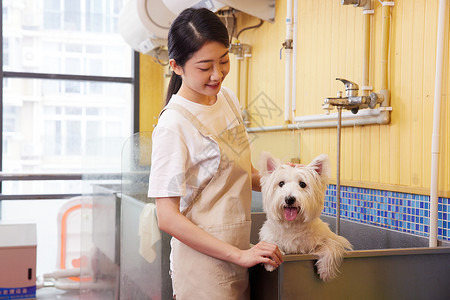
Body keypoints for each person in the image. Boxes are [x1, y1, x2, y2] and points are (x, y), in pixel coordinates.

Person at [147, 8, 283, 300]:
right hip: (202, 268)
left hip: (237, 255)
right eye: (205, 66)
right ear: (177, 66)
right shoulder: (173, 125)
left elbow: (243, 173)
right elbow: (167, 217)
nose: (217, 74)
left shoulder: (228, 100)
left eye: (223, 60)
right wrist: (238, 255)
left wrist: (283, 179)